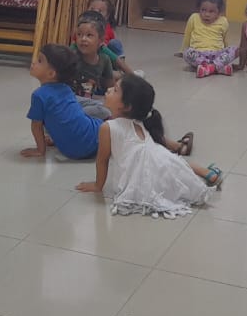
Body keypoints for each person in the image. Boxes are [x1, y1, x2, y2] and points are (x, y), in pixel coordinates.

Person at [77, 75, 222, 217]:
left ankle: (205, 173)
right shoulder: (139, 121)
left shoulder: (107, 127)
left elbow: (102, 160)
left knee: (173, 165)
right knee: (175, 164)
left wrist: (97, 185)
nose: (108, 90)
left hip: (145, 172)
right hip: (159, 162)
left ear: (126, 106)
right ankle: (207, 173)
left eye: (115, 90)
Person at [22, 44, 101, 160]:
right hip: (95, 140)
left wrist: (40, 150)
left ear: (51, 73)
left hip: (72, 151)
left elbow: (36, 126)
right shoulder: (66, 88)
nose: (33, 62)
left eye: (39, 61)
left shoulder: (39, 95)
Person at [69, 10, 115, 120]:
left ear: (100, 40)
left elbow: (110, 88)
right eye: (79, 35)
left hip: (89, 101)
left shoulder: (104, 59)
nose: (83, 39)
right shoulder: (71, 55)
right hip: (69, 100)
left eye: (89, 35)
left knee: (107, 109)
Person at [180, 0, 238, 78]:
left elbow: (225, 39)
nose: (206, 14)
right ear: (199, 9)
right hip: (199, 53)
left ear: (219, 12)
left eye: (211, 11)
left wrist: (225, 53)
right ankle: (218, 68)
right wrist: (182, 50)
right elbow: (187, 35)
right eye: (203, 10)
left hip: (217, 54)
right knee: (187, 53)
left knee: (235, 50)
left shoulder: (223, 21)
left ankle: (209, 68)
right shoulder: (194, 18)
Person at [85, 0, 136, 75]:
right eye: (92, 9)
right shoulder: (82, 25)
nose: (95, 12)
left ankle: (124, 69)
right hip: (88, 55)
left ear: (107, 16)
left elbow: (108, 46)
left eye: (100, 11)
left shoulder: (107, 28)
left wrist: (103, 45)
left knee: (115, 43)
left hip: (105, 56)